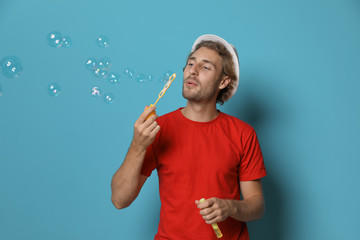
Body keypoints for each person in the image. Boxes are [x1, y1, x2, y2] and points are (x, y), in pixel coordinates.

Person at [111, 34, 267, 240]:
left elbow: (256, 205)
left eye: (205, 67)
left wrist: (230, 207)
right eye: (190, 63)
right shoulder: (159, 128)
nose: (192, 71)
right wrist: (137, 145)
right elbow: (120, 200)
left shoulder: (243, 133)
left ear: (223, 81)